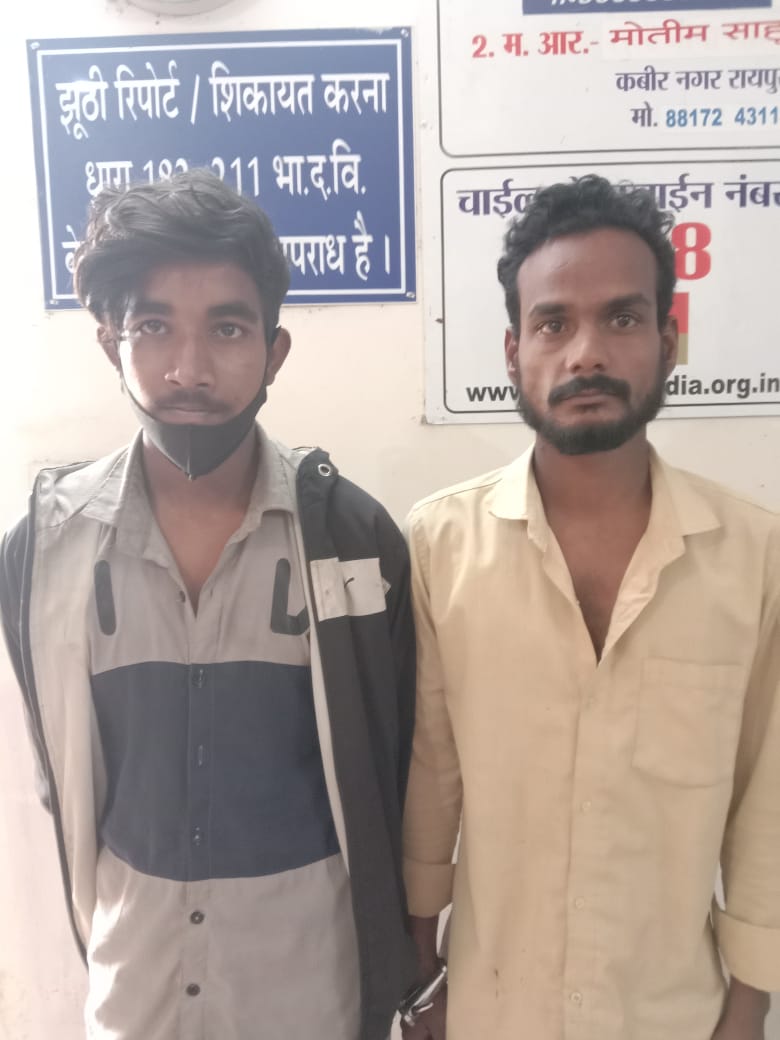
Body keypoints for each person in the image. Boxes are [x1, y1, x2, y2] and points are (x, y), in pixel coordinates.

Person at [0, 169, 416, 1040]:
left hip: (309, 999)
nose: (188, 369)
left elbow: (391, 776)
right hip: (134, 998)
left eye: (227, 328)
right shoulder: (44, 551)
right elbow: (63, 782)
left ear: (274, 351)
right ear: (110, 342)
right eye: (154, 327)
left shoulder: (353, 537)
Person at [401, 174, 779, 1040]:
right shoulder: (441, 546)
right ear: (512, 353)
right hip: (493, 1008)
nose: (586, 355)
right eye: (553, 323)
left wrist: (750, 1005)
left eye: (622, 318)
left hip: (673, 1014)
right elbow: (431, 773)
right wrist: (422, 969)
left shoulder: (756, 557)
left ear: (668, 341)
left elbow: (769, 799)